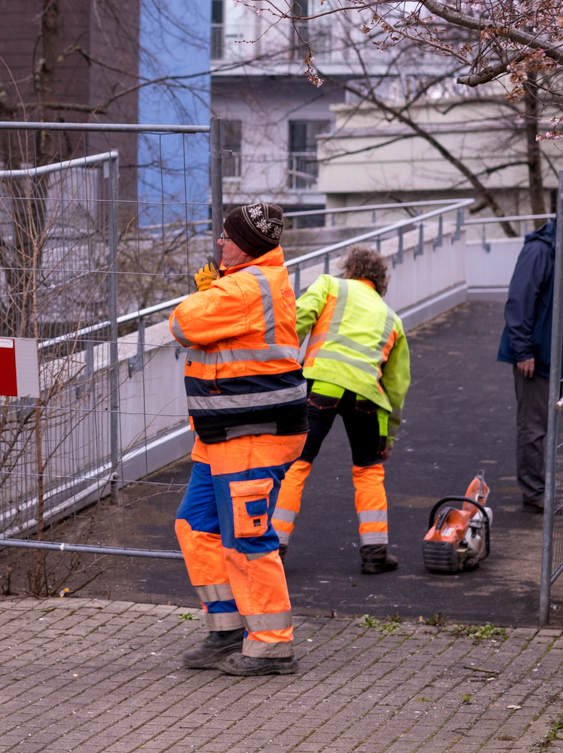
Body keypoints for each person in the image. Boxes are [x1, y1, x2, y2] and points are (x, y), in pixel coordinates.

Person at [171, 202, 308, 676]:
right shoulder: (251, 282)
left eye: (226, 237)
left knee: (247, 540)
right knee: (196, 527)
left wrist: (208, 293)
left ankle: (272, 645)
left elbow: (183, 323)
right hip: (226, 432)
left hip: (253, 432)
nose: (219, 243)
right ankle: (227, 628)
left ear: (245, 245)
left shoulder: (246, 287)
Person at [271, 246, 410, 574]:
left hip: (322, 386)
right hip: (367, 397)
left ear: (348, 269)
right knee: (368, 470)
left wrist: (276, 371)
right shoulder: (392, 319)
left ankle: (273, 548)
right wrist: (388, 435)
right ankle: (375, 554)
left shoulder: (330, 286)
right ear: (381, 281)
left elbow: (296, 323)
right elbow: (397, 385)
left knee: (296, 463)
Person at [497, 186, 563, 513]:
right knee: (534, 427)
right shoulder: (540, 251)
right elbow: (519, 301)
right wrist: (522, 350)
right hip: (535, 357)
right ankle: (535, 494)